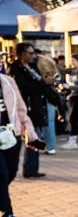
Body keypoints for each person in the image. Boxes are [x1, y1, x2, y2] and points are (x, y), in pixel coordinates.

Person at [0, 70, 40, 217]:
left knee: (10, 173)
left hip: (11, 136)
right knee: (1, 176)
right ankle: (7, 215)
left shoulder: (8, 81)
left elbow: (21, 109)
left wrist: (30, 132)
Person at [8, 43, 53, 178]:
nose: (32, 56)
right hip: (26, 106)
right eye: (29, 53)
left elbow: (39, 84)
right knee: (31, 135)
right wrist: (43, 82)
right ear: (21, 53)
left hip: (38, 105)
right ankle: (29, 169)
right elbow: (23, 86)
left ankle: (32, 168)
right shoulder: (15, 68)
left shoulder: (33, 67)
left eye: (33, 53)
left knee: (36, 135)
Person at [35, 54, 60, 154]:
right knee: (49, 123)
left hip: (39, 98)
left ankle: (39, 145)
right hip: (50, 98)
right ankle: (51, 146)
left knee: (37, 123)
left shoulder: (36, 71)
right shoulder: (53, 70)